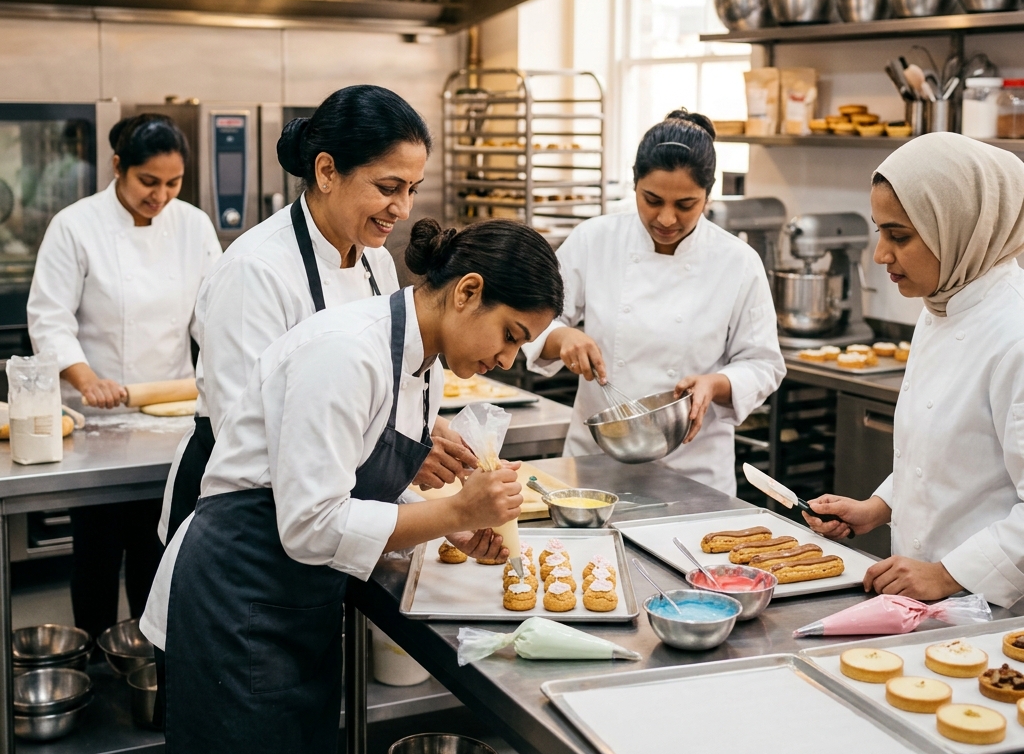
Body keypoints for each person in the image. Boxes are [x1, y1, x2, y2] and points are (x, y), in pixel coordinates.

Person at [140, 217, 564, 754]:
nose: (510, 358)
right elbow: (310, 524)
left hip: (299, 601)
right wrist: (455, 513)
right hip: (238, 594)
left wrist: (445, 526)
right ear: (467, 292)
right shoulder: (346, 353)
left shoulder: (422, 367)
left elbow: (356, 479)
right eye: (510, 335)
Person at [159, 85, 478, 547]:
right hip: (239, 525)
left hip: (319, 518)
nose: (404, 208)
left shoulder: (375, 262)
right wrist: (394, 462)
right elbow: (249, 436)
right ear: (327, 171)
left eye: (412, 189)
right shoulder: (257, 271)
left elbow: (374, 391)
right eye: (388, 188)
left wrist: (423, 430)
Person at [804, 133, 1024, 607]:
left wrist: (947, 575)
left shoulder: (1016, 334)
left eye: (898, 236)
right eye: (880, 231)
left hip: (995, 616)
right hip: (920, 605)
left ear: (959, 227)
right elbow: (936, 460)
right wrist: (877, 508)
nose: (881, 254)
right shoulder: (939, 306)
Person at [26, 114, 221, 641]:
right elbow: (49, 316)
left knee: (158, 544)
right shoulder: (75, 225)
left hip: (174, 414)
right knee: (95, 548)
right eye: (148, 182)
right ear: (118, 167)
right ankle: (89, 648)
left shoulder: (193, 226)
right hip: (97, 416)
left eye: (173, 183)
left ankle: (146, 652)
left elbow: (215, 314)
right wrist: (86, 378)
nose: (161, 196)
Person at [521, 110, 785, 495]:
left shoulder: (738, 261)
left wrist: (717, 383)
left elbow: (764, 364)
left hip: (694, 474)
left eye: (685, 205)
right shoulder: (595, 239)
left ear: (708, 197)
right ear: (634, 185)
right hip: (595, 463)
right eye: (652, 199)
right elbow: (532, 316)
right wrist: (562, 338)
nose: (666, 217)